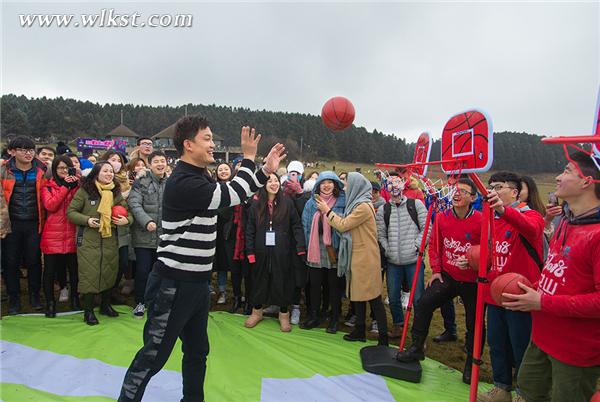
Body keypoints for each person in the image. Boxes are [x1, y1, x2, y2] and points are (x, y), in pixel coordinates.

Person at [118, 117, 285, 402]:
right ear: (188, 144)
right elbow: (231, 194)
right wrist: (247, 159)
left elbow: (233, 191)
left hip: (196, 284)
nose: (212, 144)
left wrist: (264, 171)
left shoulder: (199, 177)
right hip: (173, 283)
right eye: (207, 139)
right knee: (153, 356)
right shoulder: (182, 181)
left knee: (197, 351)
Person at [504, 152, 600, 402]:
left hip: (574, 350)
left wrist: (542, 302)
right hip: (541, 336)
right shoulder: (565, 222)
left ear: (587, 181)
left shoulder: (597, 234)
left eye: (567, 171)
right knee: (527, 391)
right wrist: (529, 289)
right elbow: (554, 271)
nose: (558, 177)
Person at [396, 178, 482, 384]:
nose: (457, 193)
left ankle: (471, 361)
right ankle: (417, 348)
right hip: (449, 276)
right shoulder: (443, 218)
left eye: (463, 191)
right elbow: (435, 245)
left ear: (473, 197)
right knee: (424, 303)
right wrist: (436, 270)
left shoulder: (481, 220)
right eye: (455, 190)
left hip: (473, 280)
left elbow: (489, 249)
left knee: (474, 322)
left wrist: (474, 263)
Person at [476, 171, 545, 402]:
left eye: (499, 187)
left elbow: (532, 230)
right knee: (497, 343)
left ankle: (524, 393)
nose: (492, 191)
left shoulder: (531, 215)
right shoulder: (489, 219)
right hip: (494, 294)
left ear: (514, 192)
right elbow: (490, 252)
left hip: (520, 294)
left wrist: (504, 211)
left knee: (521, 346)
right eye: (491, 186)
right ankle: (501, 387)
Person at [315, 172, 389, 345]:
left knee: (373, 298)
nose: (345, 188)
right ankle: (359, 330)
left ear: (356, 186)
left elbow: (343, 225)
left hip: (366, 258)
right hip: (358, 256)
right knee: (358, 295)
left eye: (347, 185)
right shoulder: (356, 204)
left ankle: (383, 338)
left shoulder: (363, 206)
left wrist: (327, 211)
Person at [67, 161, 133, 325]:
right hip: (88, 239)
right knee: (90, 274)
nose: (109, 174)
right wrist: (87, 220)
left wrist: (126, 220)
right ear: (96, 173)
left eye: (111, 171)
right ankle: (88, 311)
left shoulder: (115, 193)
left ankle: (105, 305)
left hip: (109, 238)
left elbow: (128, 213)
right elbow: (71, 212)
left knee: (109, 272)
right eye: (105, 171)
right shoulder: (85, 191)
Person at [244, 173, 306, 331]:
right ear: (263, 184)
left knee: (282, 281)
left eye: (276, 180)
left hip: (282, 251)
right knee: (259, 280)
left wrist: (300, 247)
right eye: (269, 180)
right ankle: (256, 312)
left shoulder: (287, 202)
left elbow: (296, 226)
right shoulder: (256, 204)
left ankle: (283, 314)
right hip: (260, 251)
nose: (273, 183)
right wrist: (250, 250)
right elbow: (249, 229)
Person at [375, 171, 428, 339]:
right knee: (393, 296)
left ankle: (419, 333)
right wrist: (387, 248)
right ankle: (398, 325)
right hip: (393, 262)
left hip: (413, 260)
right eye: (390, 187)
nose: (394, 190)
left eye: (397, 185)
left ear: (402, 186)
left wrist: (416, 246)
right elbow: (381, 234)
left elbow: (426, 228)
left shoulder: (416, 205)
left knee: (418, 298)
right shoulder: (384, 210)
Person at [1, 136, 47, 314]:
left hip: (35, 223)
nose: (28, 153)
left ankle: (34, 295)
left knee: (34, 261)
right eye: (23, 149)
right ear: (12, 152)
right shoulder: (4, 170)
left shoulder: (43, 170)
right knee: (10, 262)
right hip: (11, 223)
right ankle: (14, 298)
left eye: (30, 150)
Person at [300, 172, 346, 333]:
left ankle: (334, 319)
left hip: (333, 248)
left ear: (335, 184)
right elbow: (305, 224)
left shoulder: (342, 202)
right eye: (323, 182)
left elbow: (344, 225)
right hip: (315, 247)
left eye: (330, 182)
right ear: (318, 185)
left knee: (334, 286)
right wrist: (306, 246)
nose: (326, 185)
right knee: (314, 284)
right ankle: (313, 315)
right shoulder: (311, 203)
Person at [127, 151, 168, 319]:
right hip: (143, 236)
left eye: (162, 161)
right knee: (143, 271)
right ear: (149, 164)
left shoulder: (172, 182)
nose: (160, 164)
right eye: (156, 161)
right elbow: (134, 203)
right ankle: (140, 302)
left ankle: (158, 302)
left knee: (162, 272)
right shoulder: (141, 182)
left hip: (165, 237)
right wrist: (146, 221)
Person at [41, 155, 81, 317]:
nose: (64, 171)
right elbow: (51, 206)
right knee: (50, 271)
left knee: (74, 270)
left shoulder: (78, 186)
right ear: (55, 170)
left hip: (72, 232)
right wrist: (65, 187)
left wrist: (76, 184)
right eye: (60, 168)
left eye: (67, 168)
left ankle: (75, 297)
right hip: (53, 234)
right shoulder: (48, 187)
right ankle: (50, 302)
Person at [213, 162, 234, 304]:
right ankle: (211, 289)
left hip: (230, 229)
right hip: (214, 228)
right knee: (213, 261)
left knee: (226, 261)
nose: (223, 171)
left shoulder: (236, 187)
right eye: (220, 169)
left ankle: (224, 291)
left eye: (226, 169)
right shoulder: (212, 187)